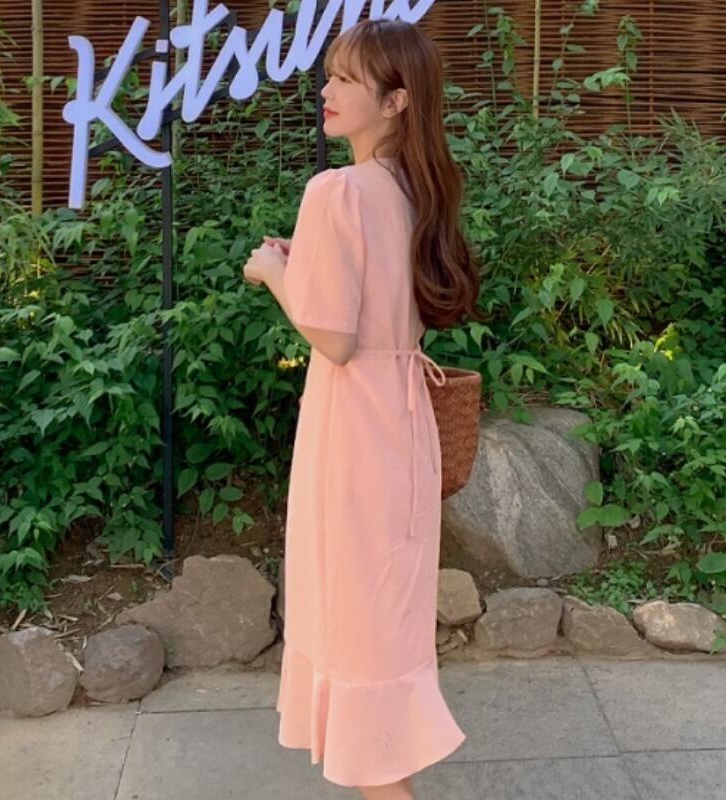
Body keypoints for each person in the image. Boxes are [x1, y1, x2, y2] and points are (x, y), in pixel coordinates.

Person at [242, 17, 483, 800]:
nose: (328, 90)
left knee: (354, 628)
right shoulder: (416, 189)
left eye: (347, 78)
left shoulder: (337, 190)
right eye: (331, 74)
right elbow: (376, 305)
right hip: (402, 425)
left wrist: (273, 272)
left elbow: (335, 339)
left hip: (352, 430)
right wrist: (304, 262)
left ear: (396, 100)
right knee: (384, 628)